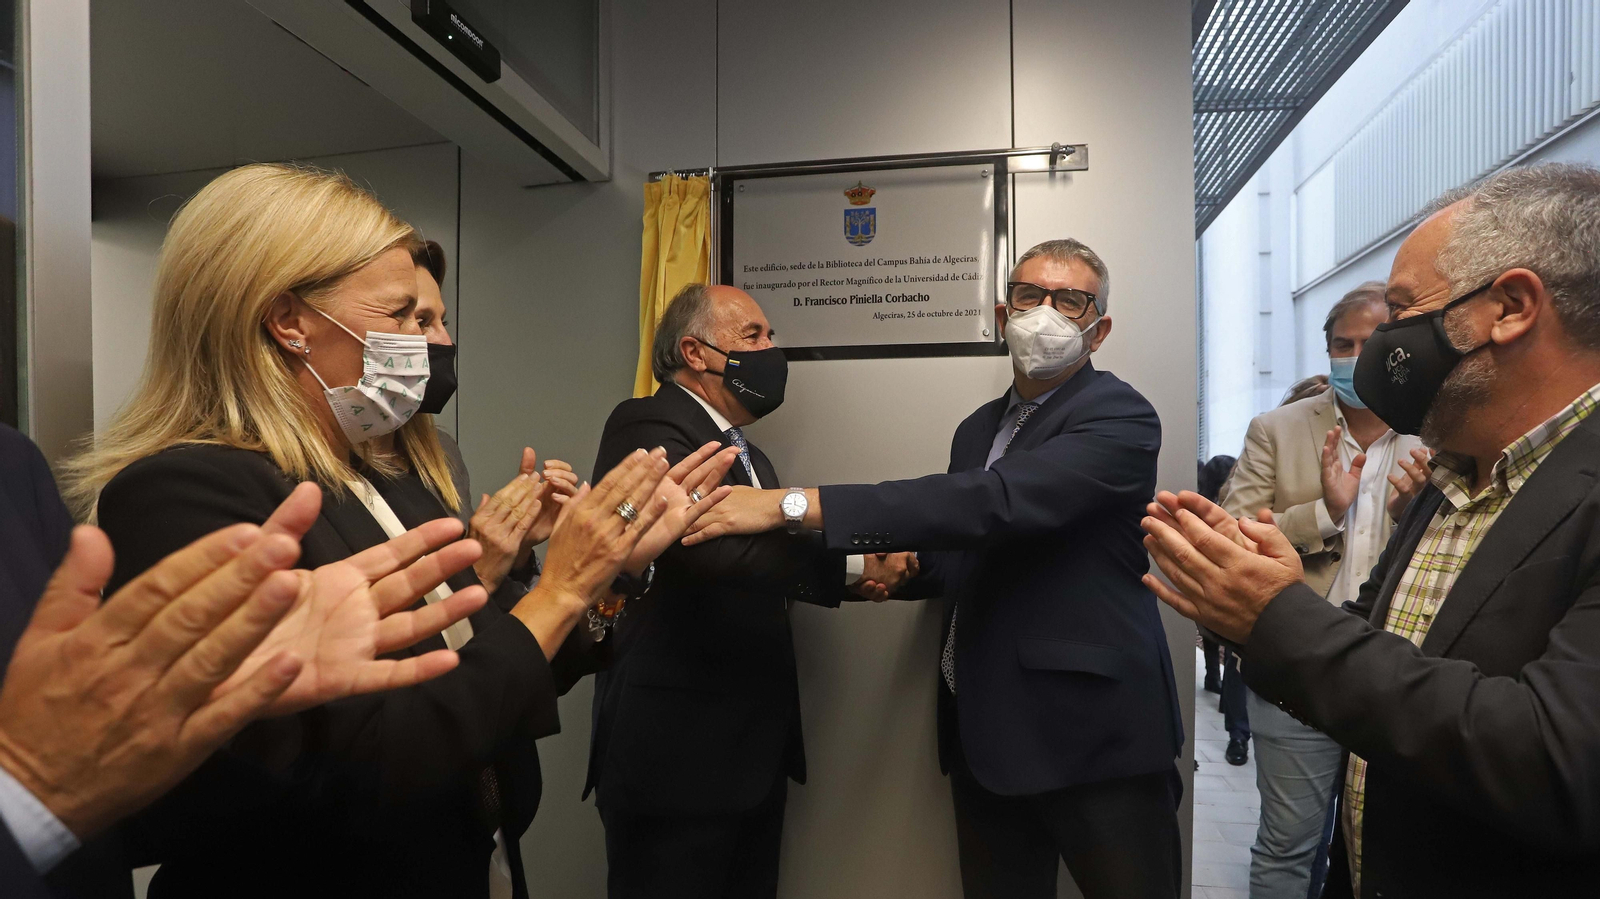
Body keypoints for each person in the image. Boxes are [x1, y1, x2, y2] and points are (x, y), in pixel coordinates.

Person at [59, 163, 736, 899]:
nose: (430, 342)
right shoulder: (184, 492)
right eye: (403, 316)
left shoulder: (389, 476)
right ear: (289, 322)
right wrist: (560, 585)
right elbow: (348, 763)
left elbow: (487, 669)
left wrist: (608, 574)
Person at [1142, 162, 1600, 898]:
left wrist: (1278, 616)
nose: (1385, 344)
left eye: (1402, 309)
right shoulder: (1454, 471)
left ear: (1510, 306)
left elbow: (1555, 760)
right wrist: (1265, 593)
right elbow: (1384, 641)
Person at [686, 240, 1185, 899]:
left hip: (1098, 737)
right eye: (1030, 296)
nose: (1047, 312)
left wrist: (792, 503)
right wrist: (888, 568)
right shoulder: (978, 429)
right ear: (1004, 312)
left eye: (1070, 300)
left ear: (1101, 327)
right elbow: (963, 546)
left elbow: (996, 502)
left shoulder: (1119, 415)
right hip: (988, 730)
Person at [0, 439, 498, 897]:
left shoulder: (15, 464)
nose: (431, 345)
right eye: (409, 331)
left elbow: (132, 813)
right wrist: (555, 601)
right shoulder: (180, 484)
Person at [585, 283, 910, 899]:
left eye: (770, 337)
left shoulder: (752, 455)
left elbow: (767, 563)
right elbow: (702, 549)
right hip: (675, 758)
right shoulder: (649, 421)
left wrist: (872, 570)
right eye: (754, 336)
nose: (771, 349)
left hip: (748, 754)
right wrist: (850, 567)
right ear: (696, 351)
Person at [1215, 282, 1427, 897]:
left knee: (1389, 850)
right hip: (1299, 669)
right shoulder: (1277, 430)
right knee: (1287, 846)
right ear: (1327, 348)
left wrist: (1420, 509)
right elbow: (1233, 533)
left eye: (1372, 342)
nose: (1356, 355)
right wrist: (1324, 512)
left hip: (1405, 674)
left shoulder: (1440, 428)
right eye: (1344, 343)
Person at [411, 239, 582, 600]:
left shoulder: (440, 450)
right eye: (421, 321)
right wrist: (481, 570)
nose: (445, 340)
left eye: (443, 321)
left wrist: (514, 547)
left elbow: (486, 611)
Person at [1197, 455, 1248, 766]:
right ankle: (1237, 730)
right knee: (1234, 653)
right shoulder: (1213, 507)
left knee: (1230, 651)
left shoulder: (1215, 502)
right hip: (1225, 584)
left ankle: (1215, 684)